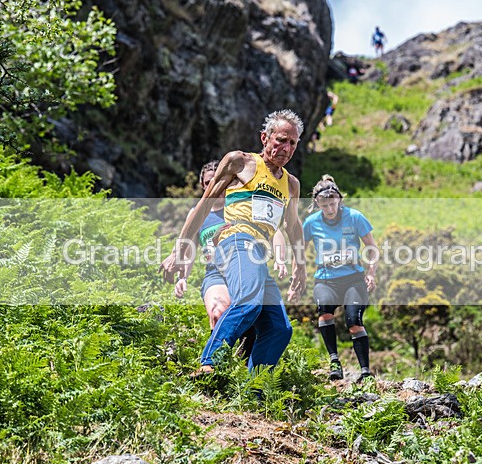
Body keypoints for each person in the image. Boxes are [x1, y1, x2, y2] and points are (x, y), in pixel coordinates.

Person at [161, 109, 307, 375]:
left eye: (292, 143)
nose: (286, 148)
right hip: (237, 239)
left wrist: (301, 266)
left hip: (259, 253)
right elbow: (203, 206)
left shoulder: (291, 184)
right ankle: (208, 365)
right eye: (281, 140)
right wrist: (178, 249)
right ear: (265, 137)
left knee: (279, 328)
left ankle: (254, 389)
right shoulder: (241, 162)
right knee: (248, 302)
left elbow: (293, 226)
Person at [173, 160, 289, 358]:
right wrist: (182, 276)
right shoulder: (197, 213)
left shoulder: (239, 205)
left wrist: (280, 257)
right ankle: (216, 362)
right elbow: (190, 247)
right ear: (203, 185)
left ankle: (241, 363)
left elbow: (275, 229)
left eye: (216, 181)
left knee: (249, 312)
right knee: (218, 311)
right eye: (207, 182)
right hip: (215, 273)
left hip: (242, 263)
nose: (213, 186)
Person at [303, 175, 379, 381]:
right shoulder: (311, 223)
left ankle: (365, 372)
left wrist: (371, 273)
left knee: (353, 320)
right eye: (324, 205)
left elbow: (372, 248)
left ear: (340, 200)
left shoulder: (355, 217)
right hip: (326, 279)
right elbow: (299, 250)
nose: (329, 209)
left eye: (333, 204)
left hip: (353, 278)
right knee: (324, 310)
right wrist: (296, 275)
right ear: (317, 203)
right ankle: (334, 361)